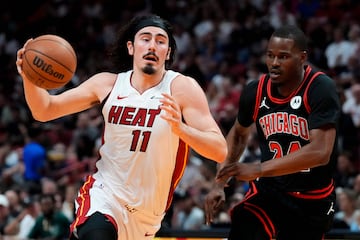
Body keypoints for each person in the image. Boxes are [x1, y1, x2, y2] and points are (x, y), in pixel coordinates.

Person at [16, 14, 227, 240]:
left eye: (160, 41)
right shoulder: (107, 84)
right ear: (131, 47)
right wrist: (30, 77)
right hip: (105, 195)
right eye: (145, 39)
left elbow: (219, 150)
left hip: (148, 213)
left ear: (168, 53)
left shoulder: (181, 88)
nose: (152, 45)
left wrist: (182, 130)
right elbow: (45, 110)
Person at [205, 25, 341, 240]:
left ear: (302, 57)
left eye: (283, 57)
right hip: (270, 191)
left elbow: (320, 151)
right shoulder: (256, 90)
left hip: (312, 198)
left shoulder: (320, 88)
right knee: (245, 226)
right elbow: (239, 134)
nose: (275, 63)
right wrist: (219, 184)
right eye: (270, 55)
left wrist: (258, 168)